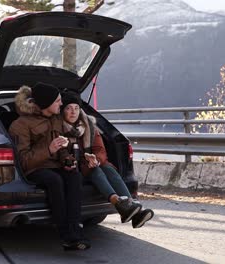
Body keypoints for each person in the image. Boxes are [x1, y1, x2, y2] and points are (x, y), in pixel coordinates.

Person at [9, 83, 90, 251]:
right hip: (34, 169)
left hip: (54, 165)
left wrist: (67, 160)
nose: (61, 104)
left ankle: (76, 230)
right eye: (58, 101)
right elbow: (23, 161)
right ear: (47, 103)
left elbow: (60, 148)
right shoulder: (20, 125)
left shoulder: (55, 119)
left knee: (74, 175)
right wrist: (48, 149)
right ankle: (65, 234)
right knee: (54, 180)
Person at [60, 92, 154, 228]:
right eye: (69, 108)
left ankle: (131, 208)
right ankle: (119, 205)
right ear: (63, 111)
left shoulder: (90, 126)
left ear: (80, 110)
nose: (73, 112)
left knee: (107, 168)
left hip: (92, 164)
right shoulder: (58, 128)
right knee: (96, 169)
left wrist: (95, 159)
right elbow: (63, 153)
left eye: (76, 108)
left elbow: (100, 149)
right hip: (75, 167)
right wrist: (86, 159)